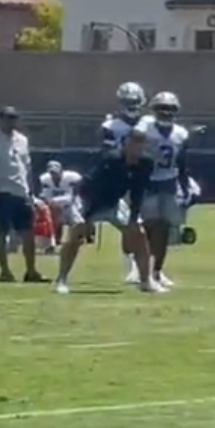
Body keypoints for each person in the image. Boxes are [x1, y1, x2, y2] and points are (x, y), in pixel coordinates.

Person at [54, 83, 151, 295]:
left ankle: (146, 280)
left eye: (141, 144)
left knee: (138, 233)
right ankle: (61, 279)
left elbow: (138, 192)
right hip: (93, 196)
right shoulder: (111, 156)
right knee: (77, 233)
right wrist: (87, 217)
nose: (139, 147)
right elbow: (92, 187)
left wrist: (134, 216)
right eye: (134, 143)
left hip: (115, 197)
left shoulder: (144, 162)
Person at [136, 91, 192, 292]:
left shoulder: (181, 133)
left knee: (164, 230)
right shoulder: (146, 129)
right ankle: (143, 271)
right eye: (162, 109)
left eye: (169, 109)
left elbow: (182, 162)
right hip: (147, 182)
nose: (166, 113)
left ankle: (156, 271)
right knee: (147, 229)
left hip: (169, 183)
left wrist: (185, 186)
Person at [0, 106, 41, 282]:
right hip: (2, 192)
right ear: (0, 120)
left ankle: (31, 271)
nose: (11, 122)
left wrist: (31, 192)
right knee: (2, 232)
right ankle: (5, 271)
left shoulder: (22, 140)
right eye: (8, 118)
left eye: (14, 118)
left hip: (22, 192)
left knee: (28, 232)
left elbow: (27, 168)